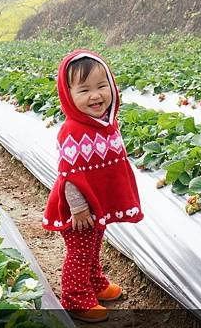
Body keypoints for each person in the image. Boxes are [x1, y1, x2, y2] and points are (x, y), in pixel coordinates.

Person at [42, 50, 143, 322]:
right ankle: (75, 299)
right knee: (80, 252)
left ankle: (95, 283)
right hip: (79, 211)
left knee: (94, 245)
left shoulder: (106, 125)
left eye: (102, 86)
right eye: (84, 90)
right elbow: (69, 176)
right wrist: (78, 208)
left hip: (95, 208)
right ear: (68, 95)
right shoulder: (72, 131)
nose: (95, 95)